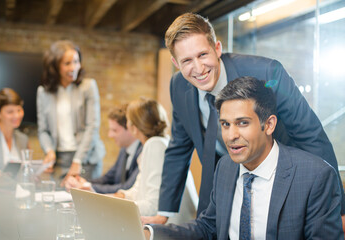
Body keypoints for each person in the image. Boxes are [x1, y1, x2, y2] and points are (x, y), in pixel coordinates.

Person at [147, 12, 345, 224]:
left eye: (203, 55)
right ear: (176, 63)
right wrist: (163, 214)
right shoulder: (178, 86)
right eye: (186, 60)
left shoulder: (267, 73)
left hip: (282, 176)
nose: (198, 68)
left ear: (217, 49)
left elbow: (310, 134)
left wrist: (338, 209)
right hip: (227, 179)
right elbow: (178, 148)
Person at [145, 76, 343, 239]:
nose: (231, 136)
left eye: (242, 123)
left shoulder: (315, 176)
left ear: (270, 125)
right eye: (225, 124)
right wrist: (150, 233)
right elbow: (208, 227)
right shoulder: (225, 167)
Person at [37, 40, 105, 181]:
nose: (73, 67)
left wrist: (78, 160)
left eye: (76, 61)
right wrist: (49, 151)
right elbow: (43, 130)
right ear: (55, 67)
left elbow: (92, 126)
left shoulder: (88, 86)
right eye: (67, 63)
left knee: (85, 202)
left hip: (86, 159)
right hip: (59, 160)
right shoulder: (43, 92)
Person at [64, 104, 142, 193]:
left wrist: (88, 187)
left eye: (114, 130)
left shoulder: (143, 151)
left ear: (130, 128)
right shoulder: (124, 150)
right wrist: (83, 183)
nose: (110, 135)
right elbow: (108, 178)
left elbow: (128, 187)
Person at [112, 98, 169, 216]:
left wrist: (113, 207)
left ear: (134, 126)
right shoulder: (156, 143)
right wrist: (120, 196)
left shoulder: (155, 146)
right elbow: (138, 190)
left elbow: (153, 206)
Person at [0, 88, 28, 175]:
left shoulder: (23, 139)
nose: (16, 116)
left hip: (17, 188)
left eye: (19, 110)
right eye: (10, 112)